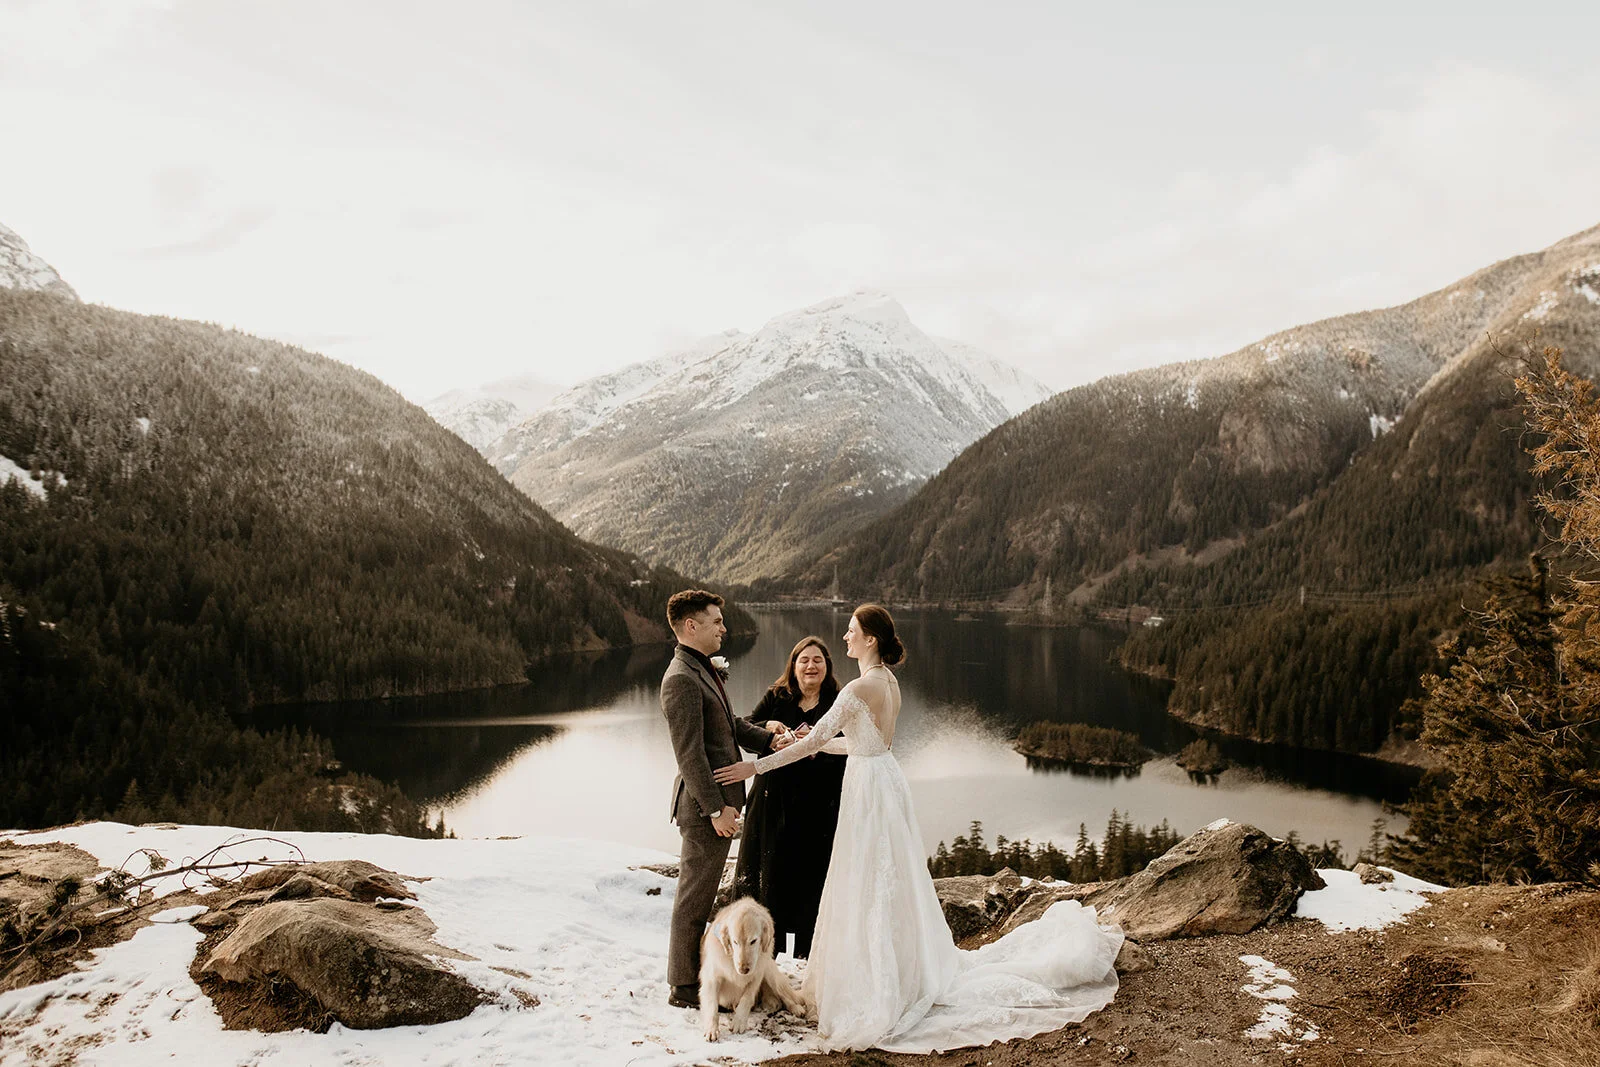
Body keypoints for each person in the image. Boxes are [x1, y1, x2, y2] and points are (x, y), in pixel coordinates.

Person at [715, 605, 1124, 1052]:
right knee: (891, 879)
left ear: (870, 639)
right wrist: (805, 744)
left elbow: (816, 742)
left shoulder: (857, 687)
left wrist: (754, 766)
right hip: (884, 777)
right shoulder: (888, 682)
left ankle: (878, 983)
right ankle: (898, 969)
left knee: (867, 878)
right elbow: (858, 744)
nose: (845, 638)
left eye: (851, 631)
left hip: (868, 788)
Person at [659, 589, 788, 1009]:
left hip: (717, 805)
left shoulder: (700, 669)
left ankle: (694, 977)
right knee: (694, 899)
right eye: (716, 621)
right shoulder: (680, 677)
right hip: (703, 810)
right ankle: (682, 987)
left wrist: (769, 738)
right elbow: (690, 754)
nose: (724, 628)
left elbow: (727, 726)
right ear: (691, 626)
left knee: (702, 893)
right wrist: (715, 809)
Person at [733, 636, 847, 959]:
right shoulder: (776, 696)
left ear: (827, 667)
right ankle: (766, 959)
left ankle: (809, 963)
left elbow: (854, 750)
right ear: (793, 666)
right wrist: (770, 731)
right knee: (771, 876)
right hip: (772, 805)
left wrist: (816, 748)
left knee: (812, 880)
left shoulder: (838, 702)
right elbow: (746, 729)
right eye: (803, 660)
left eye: (817, 660)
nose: (811, 666)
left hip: (818, 809)